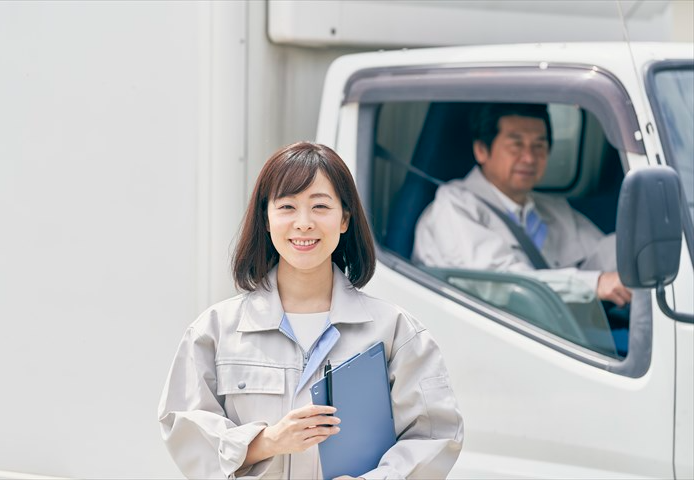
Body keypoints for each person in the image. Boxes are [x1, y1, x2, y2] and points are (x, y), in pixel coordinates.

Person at [158, 142, 463, 479]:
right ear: (267, 219)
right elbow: (183, 427)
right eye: (287, 206)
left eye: (320, 206)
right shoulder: (216, 330)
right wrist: (266, 441)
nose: (303, 224)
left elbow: (435, 435)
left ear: (344, 218)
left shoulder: (395, 331)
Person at [412, 103, 632, 307]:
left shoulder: (552, 208)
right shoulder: (454, 207)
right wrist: (594, 284)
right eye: (516, 145)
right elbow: (502, 283)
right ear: (481, 150)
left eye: (539, 145)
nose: (529, 158)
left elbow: (605, 252)